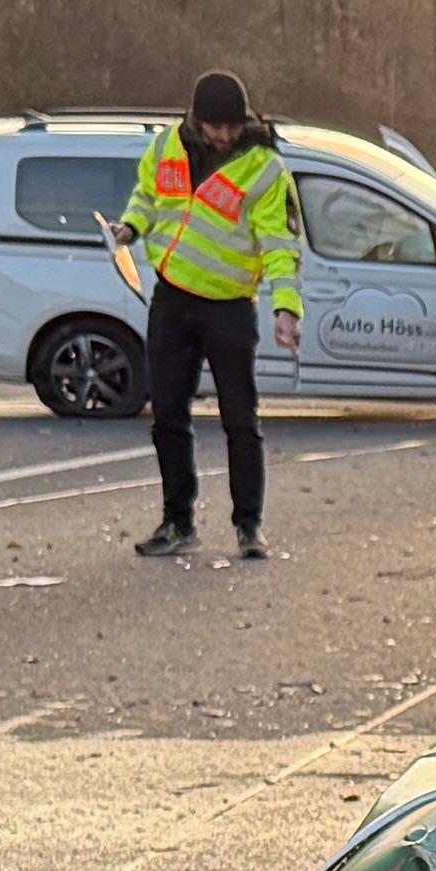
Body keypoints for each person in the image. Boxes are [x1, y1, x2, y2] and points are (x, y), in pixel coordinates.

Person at [111, 70, 304, 558]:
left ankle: (249, 525)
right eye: (215, 127)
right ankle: (178, 522)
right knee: (168, 414)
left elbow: (281, 244)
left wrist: (286, 307)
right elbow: (147, 197)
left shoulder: (264, 167)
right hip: (173, 297)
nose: (224, 136)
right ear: (196, 120)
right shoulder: (165, 148)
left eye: (232, 127)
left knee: (240, 418)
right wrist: (131, 228)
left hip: (230, 306)